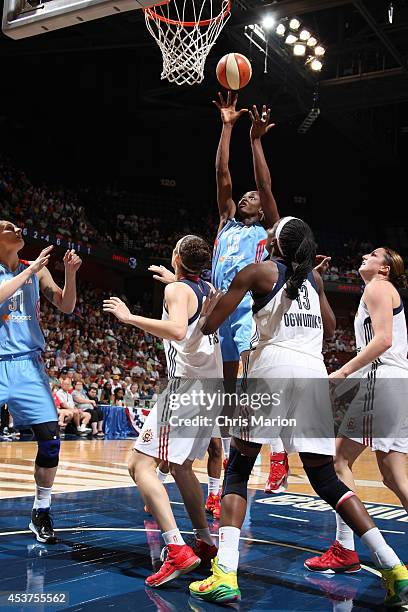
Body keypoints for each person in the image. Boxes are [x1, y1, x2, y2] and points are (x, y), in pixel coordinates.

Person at [189, 217, 408, 607]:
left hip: (271, 367)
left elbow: (211, 325)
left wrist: (207, 308)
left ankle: (225, 573)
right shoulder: (314, 281)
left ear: (274, 242)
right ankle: (393, 567)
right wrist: (313, 282)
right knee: (326, 477)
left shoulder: (258, 271)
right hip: (311, 371)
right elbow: (329, 323)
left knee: (238, 469)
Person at [149, 94, 286, 510]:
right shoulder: (227, 218)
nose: (247, 196)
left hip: (246, 309)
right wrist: (227, 126)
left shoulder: (270, 230)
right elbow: (221, 170)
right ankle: (202, 478)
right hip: (214, 303)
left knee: (239, 385)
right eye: (242, 195)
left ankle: (277, 448)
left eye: (254, 196)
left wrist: (255, 141)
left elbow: (264, 185)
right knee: (218, 395)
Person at [103, 234, 222, 588]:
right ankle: (205, 540)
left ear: (176, 257)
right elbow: (193, 306)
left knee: (139, 464)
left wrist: (129, 317)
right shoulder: (207, 290)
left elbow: (176, 329)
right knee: (182, 467)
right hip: (210, 390)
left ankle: (177, 549)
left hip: (187, 389)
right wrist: (177, 283)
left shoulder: (177, 292)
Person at [305, 247, 408, 588]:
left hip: (384, 381)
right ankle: (344, 548)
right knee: (394, 477)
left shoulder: (377, 287)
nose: (366, 255)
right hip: (397, 383)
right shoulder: (383, 289)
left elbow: (383, 340)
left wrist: (342, 374)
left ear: (386, 268)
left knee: (338, 461)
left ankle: (345, 548)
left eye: (374, 254)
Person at [0, 219, 81, 544]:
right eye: (7, 226)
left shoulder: (35, 270)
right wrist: (29, 270)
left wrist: (71, 274)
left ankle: (41, 511)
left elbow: (65, 304)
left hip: (28, 366)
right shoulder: (28, 270)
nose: (17, 228)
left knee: (50, 440)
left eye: (17, 226)